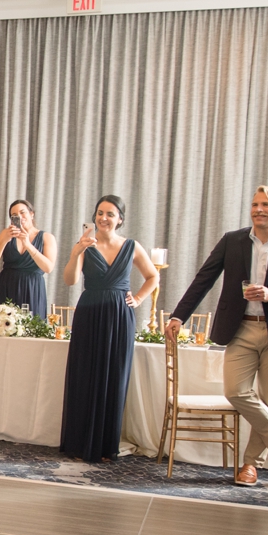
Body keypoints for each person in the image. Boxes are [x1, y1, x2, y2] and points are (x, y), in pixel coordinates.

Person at [166, 186, 268, 486]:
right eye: (254, 204)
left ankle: (251, 465)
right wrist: (178, 315)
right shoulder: (232, 240)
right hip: (240, 328)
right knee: (236, 391)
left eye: (266, 205)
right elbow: (204, 279)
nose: (258, 209)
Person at [59, 196, 159, 463]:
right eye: (100, 213)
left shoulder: (131, 246)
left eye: (111, 214)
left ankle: (105, 446)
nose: (104, 218)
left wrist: (137, 299)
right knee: (85, 375)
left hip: (119, 316)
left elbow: (153, 276)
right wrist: (76, 252)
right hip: (90, 312)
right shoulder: (84, 245)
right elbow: (70, 280)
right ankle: (80, 443)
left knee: (114, 377)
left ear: (120, 219)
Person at [0, 199, 56, 317]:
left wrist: (28, 245)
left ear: (31, 214)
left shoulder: (47, 237)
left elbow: (48, 268)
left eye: (23, 212)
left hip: (32, 287)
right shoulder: (6, 234)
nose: (19, 216)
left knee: (32, 328)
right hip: (6, 285)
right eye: (14, 215)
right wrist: (5, 240)